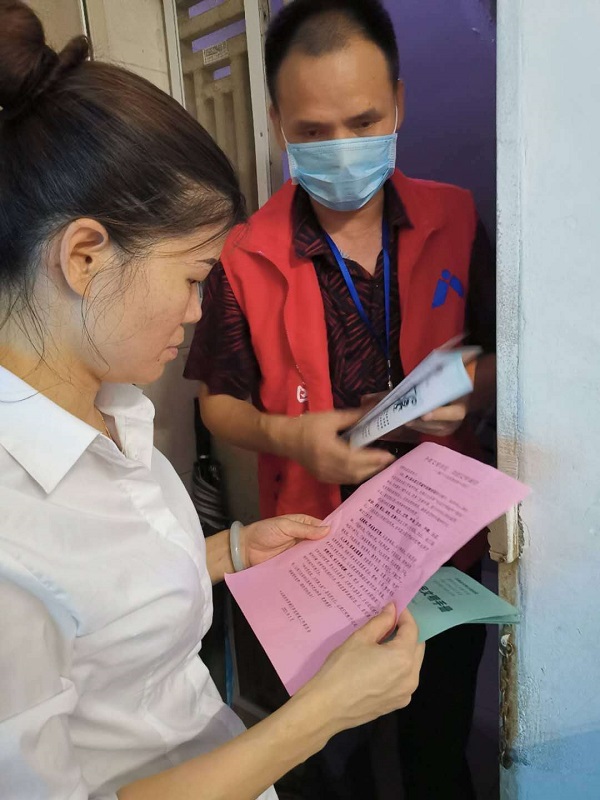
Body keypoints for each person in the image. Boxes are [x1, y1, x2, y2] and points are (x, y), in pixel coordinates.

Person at [0, 3, 426, 799]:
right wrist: (319, 714)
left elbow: (98, 611)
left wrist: (228, 552)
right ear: (85, 257)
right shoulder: (10, 524)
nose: (199, 311)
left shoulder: (111, 408)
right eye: (194, 277)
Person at [184, 1, 496, 797]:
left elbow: (504, 357)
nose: (343, 148)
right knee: (331, 758)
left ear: (399, 103)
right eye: (314, 132)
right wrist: (291, 439)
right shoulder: (243, 255)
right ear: (277, 124)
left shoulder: (457, 218)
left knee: (437, 749)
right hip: (315, 556)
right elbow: (218, 404)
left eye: (363, 122)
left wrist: (466, 391)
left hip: (441, 547)